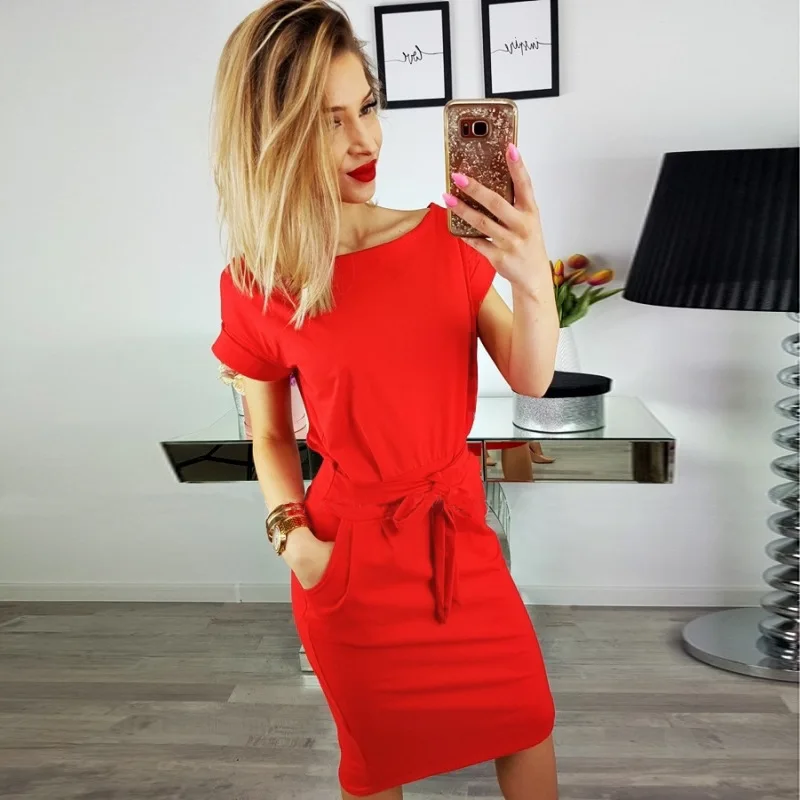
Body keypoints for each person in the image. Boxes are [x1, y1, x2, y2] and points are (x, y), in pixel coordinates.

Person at [210, 2, 560, 797]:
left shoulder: (444, 240)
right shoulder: (258, 283)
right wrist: (295, 540)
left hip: (458, 537)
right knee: (377, 765)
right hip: (348, 563)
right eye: (328, 121)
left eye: (366, 107)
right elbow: (269, 436)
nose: (364, 140)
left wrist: (531, 271)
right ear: (274, 136)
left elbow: (532, 377)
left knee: (526, 720)